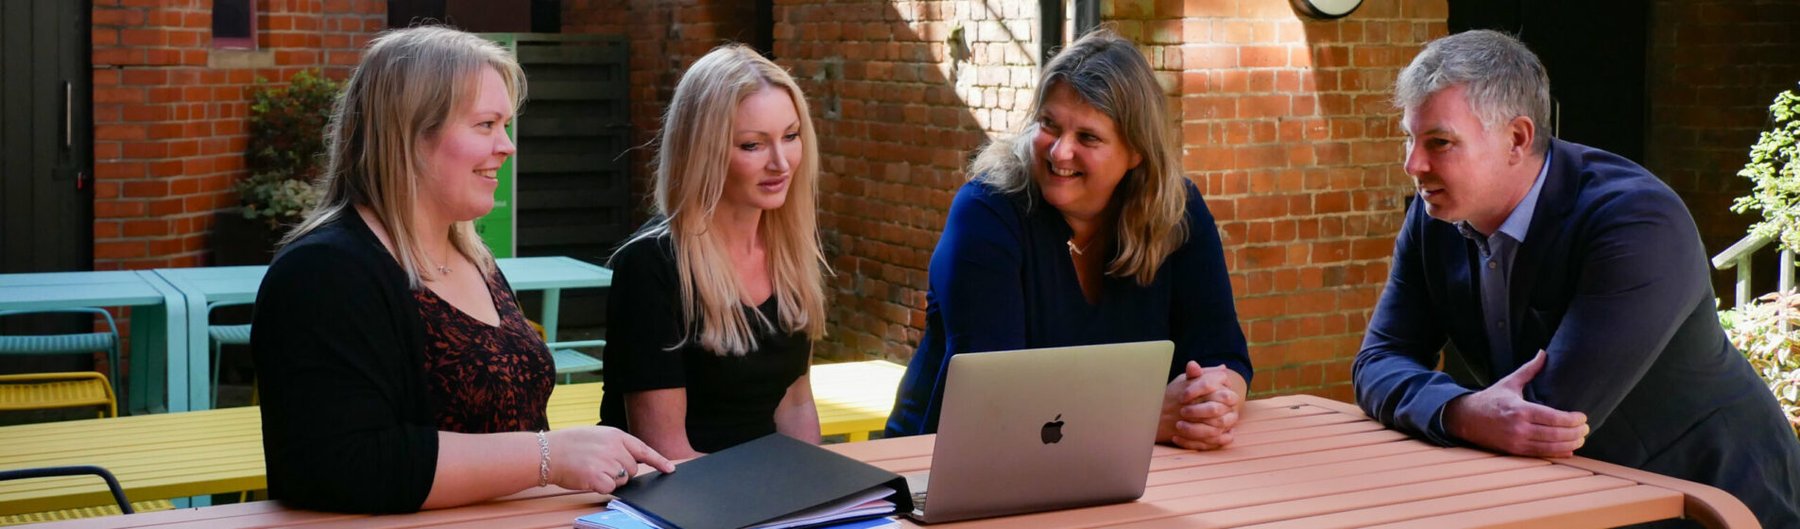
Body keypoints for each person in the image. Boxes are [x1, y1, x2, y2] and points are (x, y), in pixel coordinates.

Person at [1355, 29, 1800, 527]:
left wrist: (1451, 410)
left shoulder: (1635, 220)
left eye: (1439, 142)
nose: (1413, 164)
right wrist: (1458, 409)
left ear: (1517, 138)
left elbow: (1548, 421)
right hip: (1582, 496)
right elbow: (1377, 362)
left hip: (1713, 498)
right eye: (1409, 138)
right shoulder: (1434, 217)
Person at [251, 26, 673, 514]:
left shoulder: (474, 257)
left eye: (506, 125)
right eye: (486, 125)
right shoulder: (323, 272)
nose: (507, 146)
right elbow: (339, 461)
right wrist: (547, 457)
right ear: (409, 134)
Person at [884, 29, 1253, 451]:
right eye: (1049, 125)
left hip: (1125, 468)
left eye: (1088, 137)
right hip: (936, 470)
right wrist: (1144, 417)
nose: (1059, 152)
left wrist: (1216, 402)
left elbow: (1223, 355)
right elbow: (993, 401)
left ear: (1136, 152)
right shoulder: (987, 213)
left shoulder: (1176, 211)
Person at [598, 44, 829, 460]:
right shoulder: (652, 264)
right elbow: (666, 454)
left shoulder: (792, 250)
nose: (781, 162)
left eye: (791, 137)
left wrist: (815, 500)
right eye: (752, 145)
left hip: (766, 497)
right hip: (674, 502)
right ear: (703, 150)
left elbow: (795, 405)